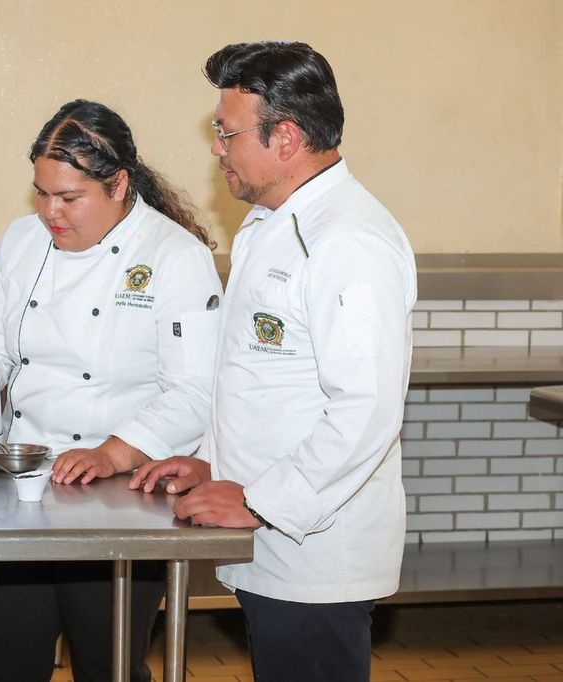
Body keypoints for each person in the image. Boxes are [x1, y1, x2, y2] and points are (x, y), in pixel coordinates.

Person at [131, 41, 417, 682]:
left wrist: (260, 502)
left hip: (314, 552)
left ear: (284, 137)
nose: (217, 149)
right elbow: (257, 379)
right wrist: (212, 460)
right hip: (272, 538)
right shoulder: (272, 224)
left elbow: (366, 409)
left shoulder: (347, 242)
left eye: (226, 133)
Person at [0, 99, 223, 682]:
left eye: (68, 197)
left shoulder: (174, 257)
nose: (50, 212)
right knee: (7, 660)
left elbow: (194, 391)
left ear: (119, 184)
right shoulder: (23, 241)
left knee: (107, 663)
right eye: (41, 194)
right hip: (26, 485)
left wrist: (110, 452)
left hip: (122, 495)